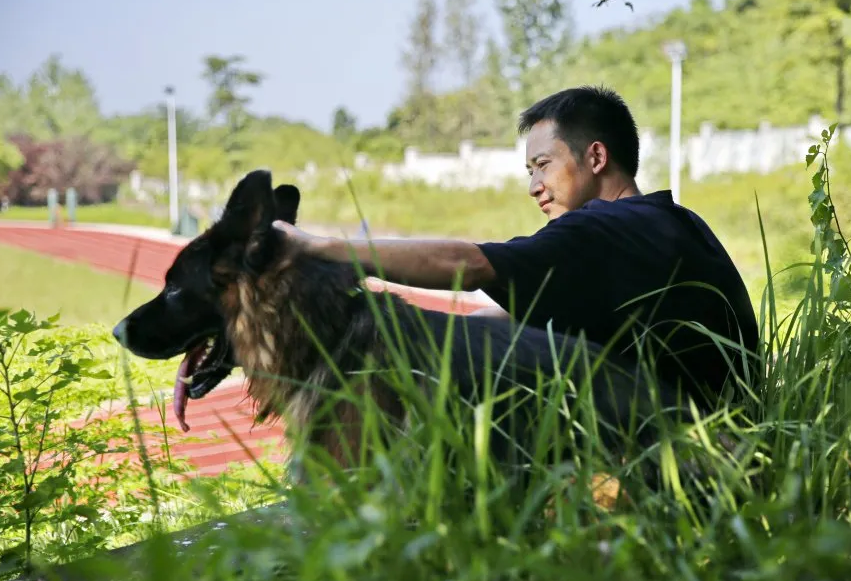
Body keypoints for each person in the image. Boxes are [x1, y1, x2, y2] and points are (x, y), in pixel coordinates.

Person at [274, 86, 759, 409]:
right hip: (730, 431)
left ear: (595, 156)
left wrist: (319, 247)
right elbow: (514, 318)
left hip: (677, 454)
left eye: (542, 165)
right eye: (530, 171)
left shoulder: (602, 228)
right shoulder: (670, 221)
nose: (534, 187)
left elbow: (466, 263)